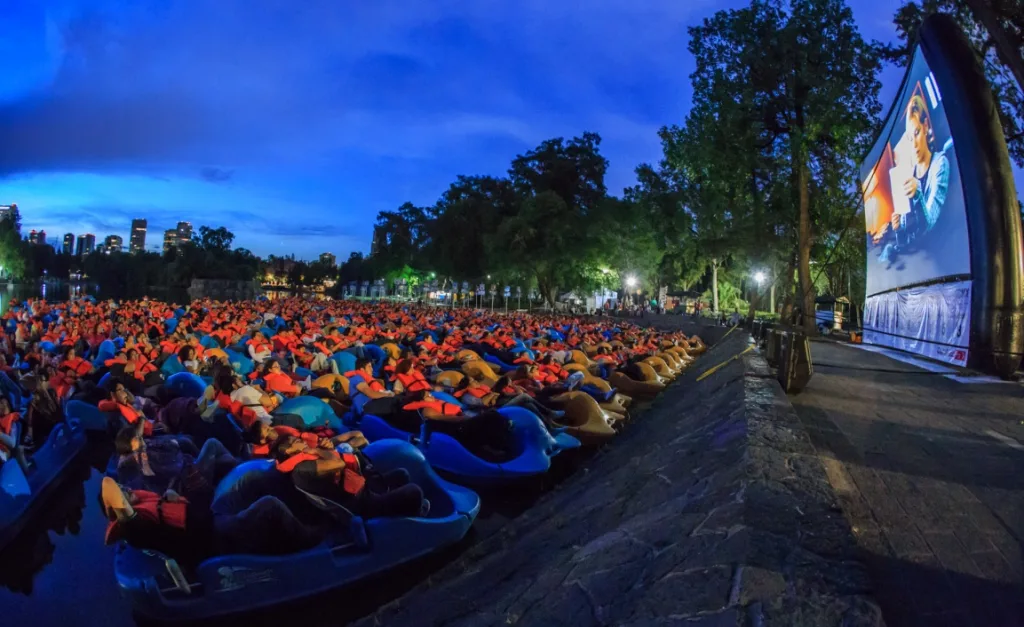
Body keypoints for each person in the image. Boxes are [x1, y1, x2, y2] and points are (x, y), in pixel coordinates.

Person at [272, 435, 427, 518]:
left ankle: (397, 504)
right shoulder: (302, 468)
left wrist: (321, 449)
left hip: (362, 490)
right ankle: (410, 518)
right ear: (288, 451)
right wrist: (318, 451)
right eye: (296, 441)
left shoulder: (305, 462)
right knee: (414, 492)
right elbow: (338, 463)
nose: (302, 440)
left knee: (402, 474)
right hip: (359, 505)